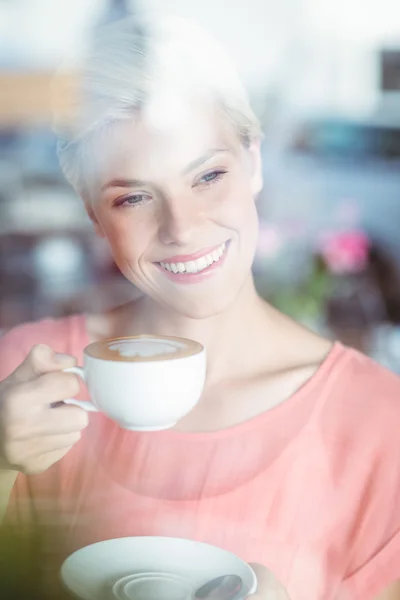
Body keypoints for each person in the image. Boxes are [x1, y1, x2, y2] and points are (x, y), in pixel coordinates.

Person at [0, 14, 400, 600]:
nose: (182, 228)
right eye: (134, 196)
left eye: (208, 175)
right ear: (93, 212)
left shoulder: (379, 424)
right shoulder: (24, 375)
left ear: (254, 163)